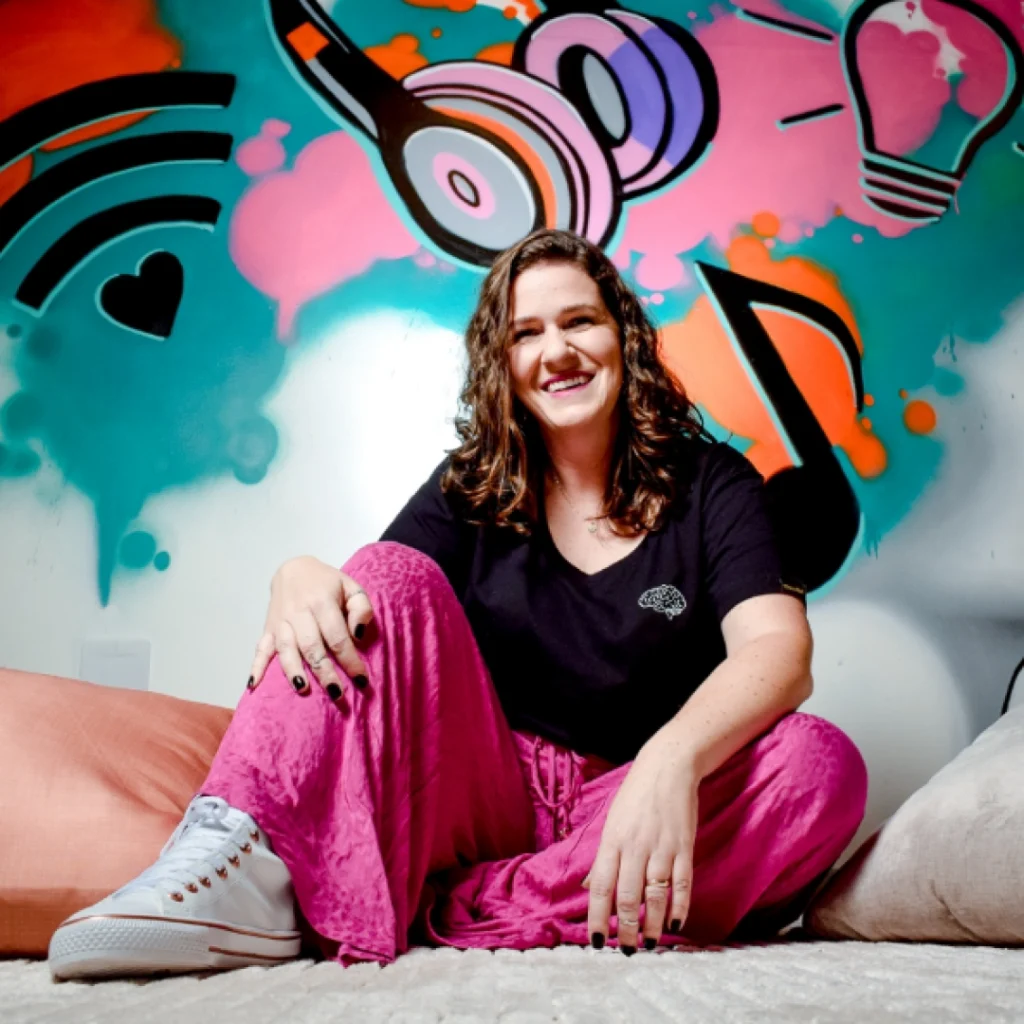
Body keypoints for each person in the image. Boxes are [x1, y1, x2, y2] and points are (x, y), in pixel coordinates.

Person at [48, 229, 867, 981]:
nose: (557, 351)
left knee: (820, 766)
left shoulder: (714, 483)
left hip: (626, 805)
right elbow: (374, 608)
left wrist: (671, 761)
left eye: (580, 321)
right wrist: (296, 574)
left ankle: (463, 902)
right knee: (384, 571)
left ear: (623, 337)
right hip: (482, 793)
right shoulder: (470, 484)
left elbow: (777, 651)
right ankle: (235, 859)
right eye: (526, 333)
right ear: (501, 362)